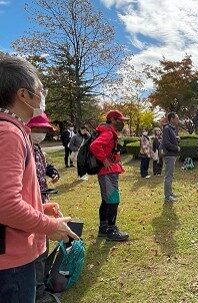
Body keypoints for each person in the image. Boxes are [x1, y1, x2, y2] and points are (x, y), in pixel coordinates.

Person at [0, 55, 78, 302]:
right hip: (11, 261)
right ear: (23, 95)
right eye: (39, 89)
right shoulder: (9, 133)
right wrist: (51, 226)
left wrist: (39, 208)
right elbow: (6, 205)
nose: (42, 95)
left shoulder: (14, 130)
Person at [27, 113, 62, 302]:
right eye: (37, 129)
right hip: (30, 206)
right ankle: (37, 293)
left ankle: (39, 285)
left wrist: (52, 171)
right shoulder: (21, 146)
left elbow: (44, 167)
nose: (40, 133)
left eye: (44, 130)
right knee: (37, 250)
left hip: (43, 202)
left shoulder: (38, 148)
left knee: (43, 247)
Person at [90, 109, 129, 241]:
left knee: (106, 201)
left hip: (107, 172)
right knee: (113, 201)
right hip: (108, 172)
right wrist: (105, 160)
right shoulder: (108, 132)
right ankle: (111, 230)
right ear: (112, 119)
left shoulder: (108, 131)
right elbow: (95, 146)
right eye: (120, 120)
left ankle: (103, 227)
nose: (122, 123)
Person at [162, 112, 180, 203]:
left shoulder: (171, 129)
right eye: (176, 118)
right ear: (172, 119)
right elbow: (166, 143)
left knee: (170, 175)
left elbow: (170, 141)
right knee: (168, 176)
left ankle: (170, 193)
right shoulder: (167, 128)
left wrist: (176, 139)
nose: (178, 120)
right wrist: (176, 147)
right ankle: (167, 196)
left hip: (172, 155)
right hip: (169, 155)